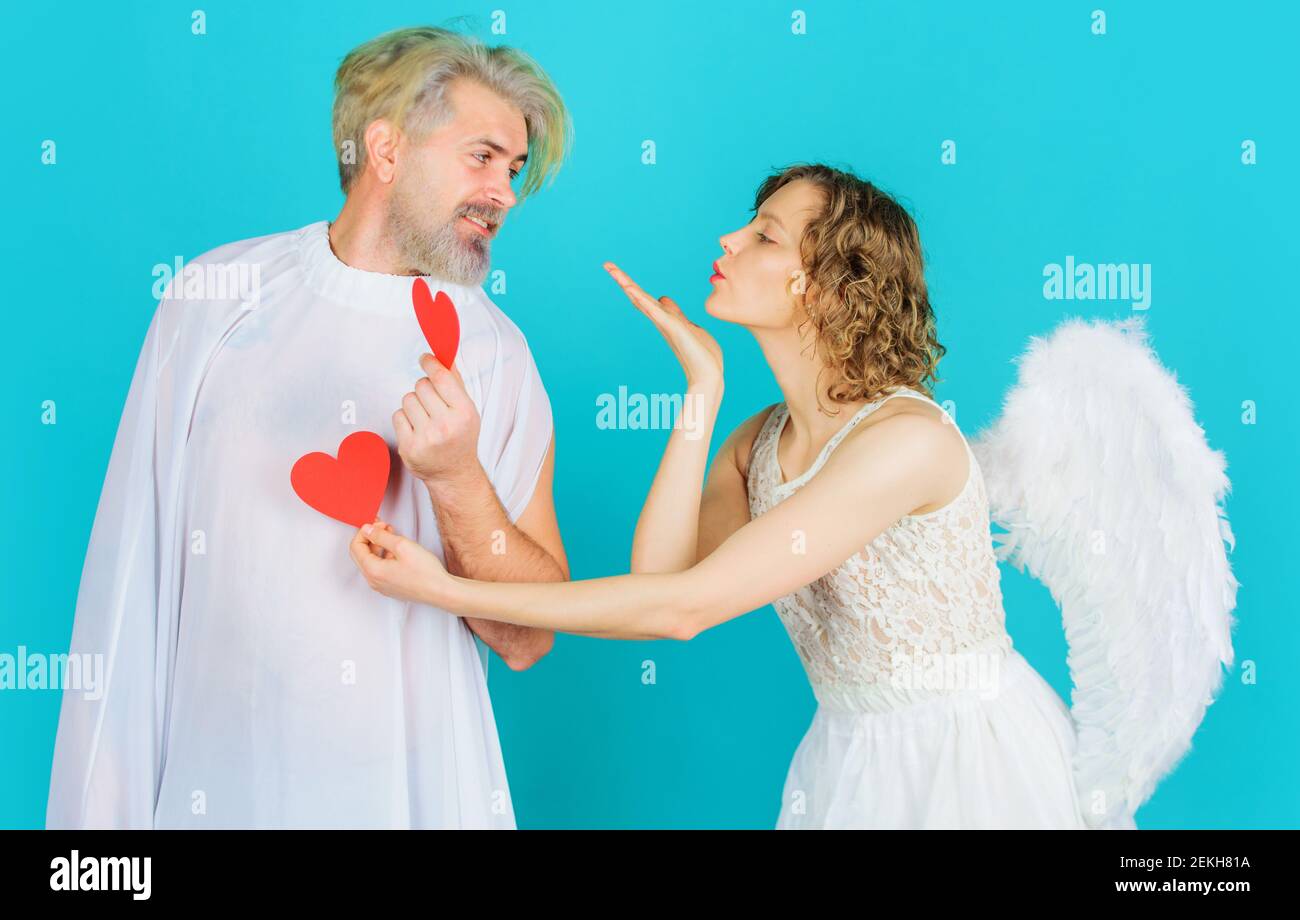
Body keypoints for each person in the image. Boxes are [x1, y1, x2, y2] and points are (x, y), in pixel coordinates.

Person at [349, 162, 1093, 829]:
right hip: (851, 753)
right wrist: (701, 392)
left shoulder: (905, 442)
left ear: (828, 285)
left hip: (968, 766)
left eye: (765, 236)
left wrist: (445, 589)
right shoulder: (762, 440)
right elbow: (660, 584)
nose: (729, 239)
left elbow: (683, 610)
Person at [47, 25, 572, 829]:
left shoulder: (499, 357)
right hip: (213, 791)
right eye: (481, 156)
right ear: (386, 150)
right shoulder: (217, 295)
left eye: (514, 168)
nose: (504, 190)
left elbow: (530, 639)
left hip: (410, 800)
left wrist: (458, 478)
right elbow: (130, 576)